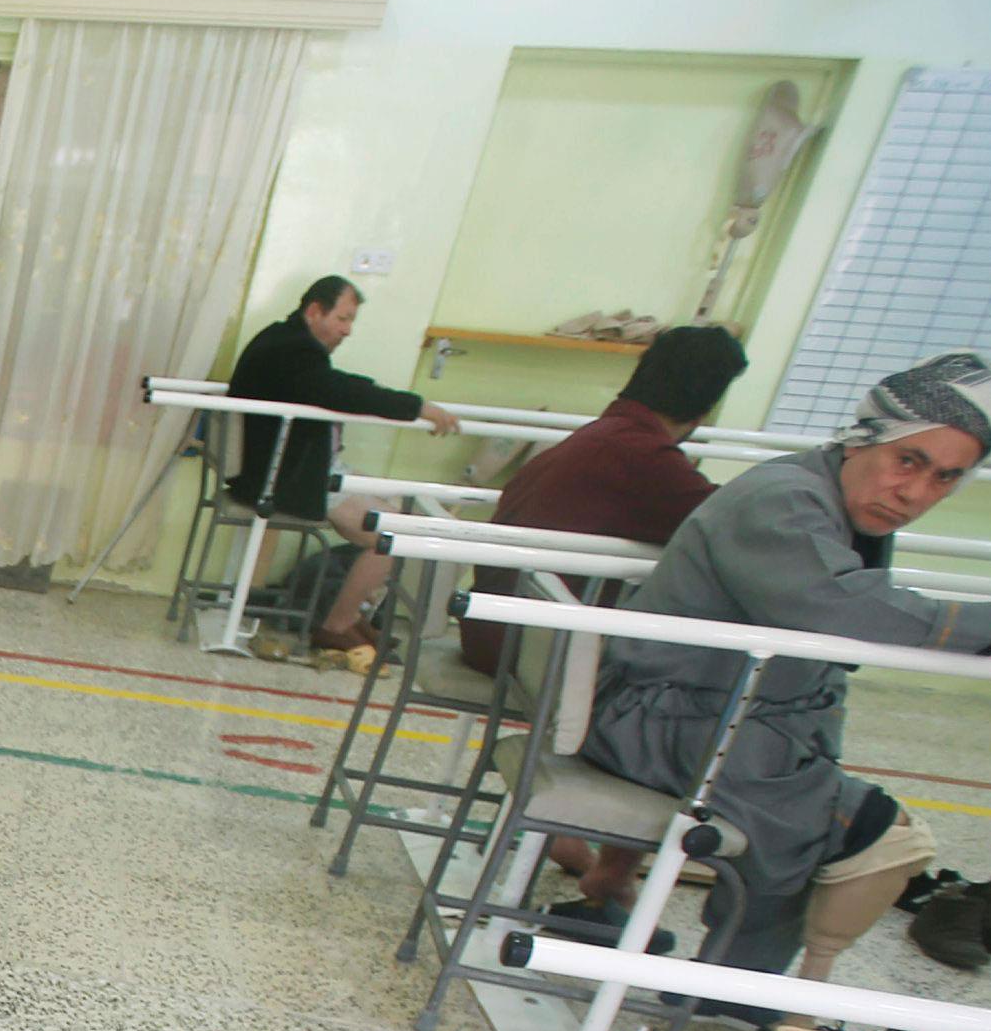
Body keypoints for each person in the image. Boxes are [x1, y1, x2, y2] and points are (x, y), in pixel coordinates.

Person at [583, 350, 991, 1031]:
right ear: (865, 439)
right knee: (871, 833)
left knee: (825, 807)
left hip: (708, 716)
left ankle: (737, 981)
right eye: (907, 461)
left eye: (945, 477)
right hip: (662, 719)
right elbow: (834, 608)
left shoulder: (831, 503)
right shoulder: (784, 499)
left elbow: (824, 664)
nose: (914, 491)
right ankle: (745, 992)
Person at [456, 323, 750, 914]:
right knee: (686, 697)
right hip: (532, 650)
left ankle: (568, 832)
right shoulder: (643, 456)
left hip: (501, 630)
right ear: (709, 404)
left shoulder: (600, 437)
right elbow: (735, 538)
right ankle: (612, 870)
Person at [221, 277, 461, 659]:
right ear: (314, 311)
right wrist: (418, 407)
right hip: (290, 477)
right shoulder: (292, 350)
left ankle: (355, 616)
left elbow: (336, 386)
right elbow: (343, 391)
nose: (348, 330)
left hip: (298, 468)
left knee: (411, 509)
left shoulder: (285, 342)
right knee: (396, 532)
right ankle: (338, 624)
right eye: (343, 319)